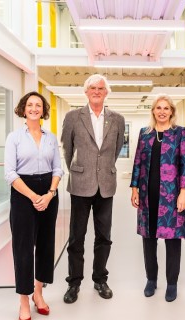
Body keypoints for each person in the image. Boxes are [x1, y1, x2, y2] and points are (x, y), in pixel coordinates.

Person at [61, 74, 125, 303]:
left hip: (105, 186)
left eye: (100, 88)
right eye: (92, 88)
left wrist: (102, 169)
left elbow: (116, 150)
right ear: (86, 92)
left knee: (104, 236)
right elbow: (67, 149)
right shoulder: (72, 117)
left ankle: (100, 279)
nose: (97, 91)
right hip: (80, 185)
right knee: (76, 237)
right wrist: (78, 170)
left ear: (106, 92)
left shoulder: (117, 119)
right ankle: (74, 283)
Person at [4, 91, 63, 320]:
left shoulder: (50, 137)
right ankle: (23, 301)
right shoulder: (14, 138)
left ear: (43, 110)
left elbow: (58, 169)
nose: (34, 108)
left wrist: (49, 194)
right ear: (23, 108)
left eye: (38, 105)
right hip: (22, 193)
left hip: (49, 192)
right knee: (23, 248)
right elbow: (10, 173)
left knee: (46, 246)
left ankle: (38, 293)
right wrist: (33, 197)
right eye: (30, 104)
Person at [130, 94, 185, 302]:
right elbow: (138, 162)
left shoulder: (180, 133)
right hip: (148, 194)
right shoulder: (144, 134)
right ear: (153, 111)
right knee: (149, 238)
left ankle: (172, 283)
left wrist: (184, 191)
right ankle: (151, 279)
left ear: (171, 112)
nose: (162, 111)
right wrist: (134, 188)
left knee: (173, 240)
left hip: (172, 196)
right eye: (158, 108)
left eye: (166, 108)